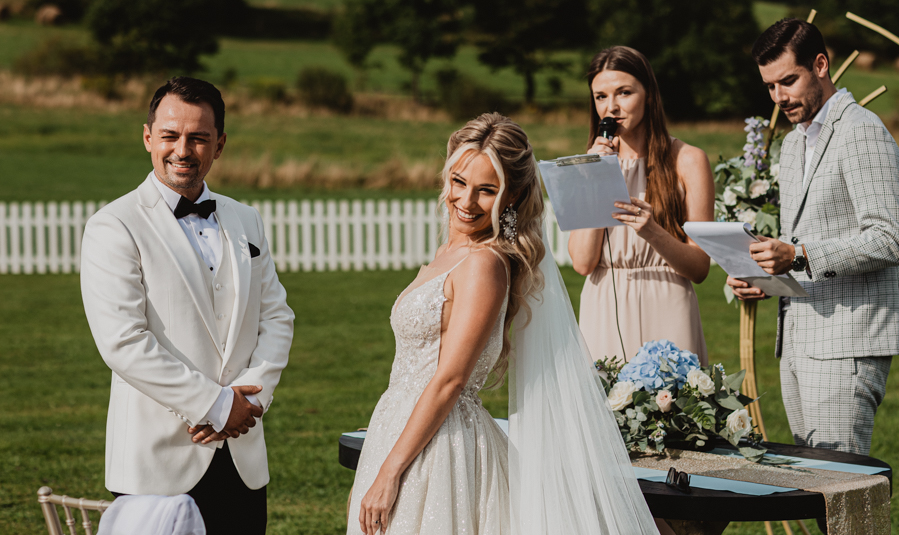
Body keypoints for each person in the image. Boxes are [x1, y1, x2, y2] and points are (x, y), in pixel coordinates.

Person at [348, 113, 659, 535]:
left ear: (511, 197)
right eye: (459, 182)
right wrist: (377, 461)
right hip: (399, 425)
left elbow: (450, 380)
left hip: (440, 447)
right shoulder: (450, 252)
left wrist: (389, 473)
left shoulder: (483, 264)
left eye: (487, 190)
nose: (466, 201)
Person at [81, 77, 295, 534]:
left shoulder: (245, 219)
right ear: (148, 138)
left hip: (242, 459)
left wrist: (250, 401)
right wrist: (215, 405)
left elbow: (277, 316)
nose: (183, 150)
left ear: (219, 145)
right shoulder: (114, 225)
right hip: (158, 464)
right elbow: (123, 342)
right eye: (170, 135)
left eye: (198, 137)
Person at [727, 19, 899, 456]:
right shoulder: (794, 144)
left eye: (788, 81)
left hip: (848, 339)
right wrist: (761, 276)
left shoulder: (861, 130)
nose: (779, 97)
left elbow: (890, 238)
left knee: (840, 482)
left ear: (821, 65)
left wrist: (797, 255)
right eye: (770, 86)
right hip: (799, 340)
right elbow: (803, 239)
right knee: (815, 481)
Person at [569, 46, 714, 365]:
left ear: (649, 95)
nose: (611, 107)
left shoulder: (689, 160)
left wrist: (653, 231)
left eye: (624, 93)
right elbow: (582, 262)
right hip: (603, 307)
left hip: (668, 307)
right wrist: (595, 176)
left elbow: (700, 268)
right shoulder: (589, 163)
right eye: (600, 96)